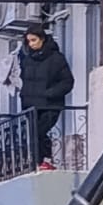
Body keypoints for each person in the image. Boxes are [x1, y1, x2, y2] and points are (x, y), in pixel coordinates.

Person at [18, 25, 74, 171]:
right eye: (28, 41)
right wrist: (24, 95)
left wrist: (50, 93)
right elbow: (24, 79)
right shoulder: (27, 59)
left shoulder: (56, 58)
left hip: (50, 104)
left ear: (42, 39)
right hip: (31, 104)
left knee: (40, 132)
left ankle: (45, 160)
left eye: (34, 40)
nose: (31, 44)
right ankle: (38, 162)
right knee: (33, 134)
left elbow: (67, 82)